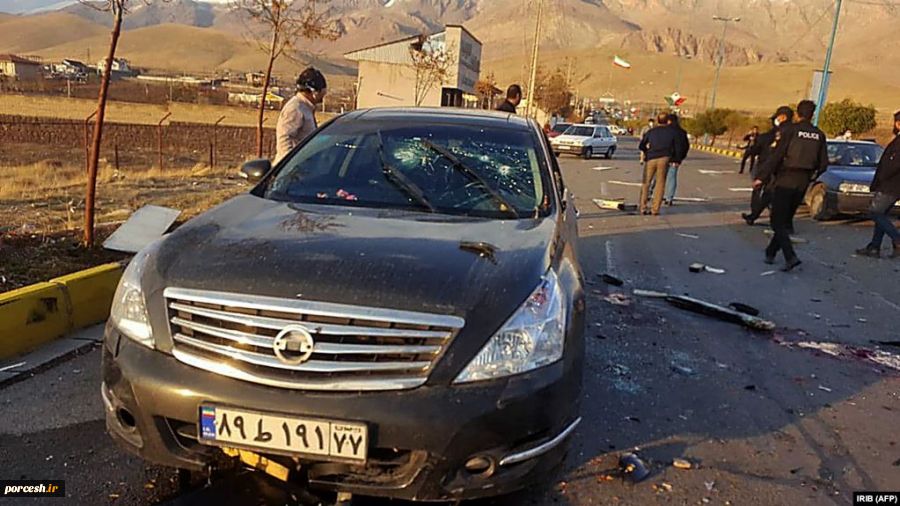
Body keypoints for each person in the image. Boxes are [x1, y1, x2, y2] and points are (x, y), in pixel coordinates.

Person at [754, 100, 828, 271]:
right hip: (803, 181)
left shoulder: (791, 131)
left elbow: (777, 156)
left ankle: (790, 256)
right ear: (813, 114)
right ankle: (771, 252)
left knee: (776, 221)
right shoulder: (819, 135)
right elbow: (823, 164)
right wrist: (811, 177)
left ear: (797, 113)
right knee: (785, 220)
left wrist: (762, 177)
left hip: (786, 178)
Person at [855, 110, 900, 259]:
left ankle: (897, 239)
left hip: (890, 186)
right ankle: (874, 247)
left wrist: (881, 179)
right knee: (882, 214)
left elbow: (892, 165)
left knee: (875, 212)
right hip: (892, 185)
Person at [742, 106, 794, 225]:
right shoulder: (793, 132)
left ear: (782, 117)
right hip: (783, 169)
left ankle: (754, 213)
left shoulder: (770, 136)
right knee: (771, 193)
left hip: (765, 167)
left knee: (759, 191)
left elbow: (756, 150)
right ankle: (766, 216)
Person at [275, 67, 327, 163]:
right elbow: (284, 139)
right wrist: (290, 166)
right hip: (292, 172)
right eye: (322, 93)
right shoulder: (295, 108)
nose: (322, 98)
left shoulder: (306, 108)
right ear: (314, 92)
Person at [638, 113, 677, 215]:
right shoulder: (671, 133)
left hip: (651, 158)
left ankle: (643, 207)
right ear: (667, 121)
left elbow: (641, 145)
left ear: (657, 120)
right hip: (664, 158)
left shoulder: (651, 132)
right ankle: (655, 209)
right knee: (660, 184)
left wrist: (646, 152)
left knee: (646, 183)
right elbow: (676, 147)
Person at [664, 113, 690, 206]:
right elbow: (686, 146)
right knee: (672, 178)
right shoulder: (682, 132)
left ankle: (650, 194)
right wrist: (680, 158)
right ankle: (669, 198)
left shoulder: (665, 130)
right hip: (675, 159)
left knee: (658, 177)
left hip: (663, 157)